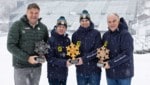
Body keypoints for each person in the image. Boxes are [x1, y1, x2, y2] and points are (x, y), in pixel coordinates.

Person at [7, 3, 49, 85]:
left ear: (39, 13)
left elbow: (45, 44)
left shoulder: (43, 28)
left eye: (36, 13)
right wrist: (27, 58)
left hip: (36, 68)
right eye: (31, 12)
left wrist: (43, 55)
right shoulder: (17, 25)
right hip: (21, 67)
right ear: (26, 12)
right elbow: (10, 45)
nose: (34, 15)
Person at [102, 13, 134, 85]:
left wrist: (110, 63)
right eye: (109, 22)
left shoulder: (125, 35)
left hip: (124, 74)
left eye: (114, 21)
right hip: (110, 74)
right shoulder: (106, 35)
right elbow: (103, 50)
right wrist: (102, 60)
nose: (112, 24)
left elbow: (127, 54)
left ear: (118, 21)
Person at [72, 10, 102, 85]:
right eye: (82, 20)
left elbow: (97, 51)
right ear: (80, 21)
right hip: (81, 71)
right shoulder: (75, 35)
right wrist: (73, 59)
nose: (84, 22)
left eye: (86, 20)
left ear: (90, 21)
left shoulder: (96, 33)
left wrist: (84, 59)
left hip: (94, 70)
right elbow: (73, 52)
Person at [47, 16, 71, 85]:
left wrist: (72, 59)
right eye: (59, 26)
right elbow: (50, 58)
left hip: (63, 74)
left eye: (63, 27)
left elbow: (69, 55)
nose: (61, 29)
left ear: (66, 28)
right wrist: (64, 62)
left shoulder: (67, 40)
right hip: (53, 75)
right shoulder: (50, 40)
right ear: (56, 27)